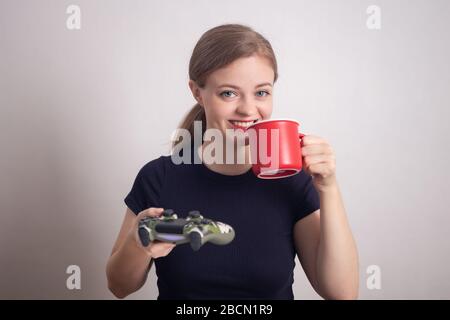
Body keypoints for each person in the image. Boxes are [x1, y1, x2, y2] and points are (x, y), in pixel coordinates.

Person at [106, 23, 359, 300]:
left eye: (261, 92)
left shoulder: (292, 179)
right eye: (229, 93)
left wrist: (329, 187)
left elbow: (342, 293)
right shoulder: (159, 177)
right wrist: (139, 243)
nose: (248, 109)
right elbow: (119, 287)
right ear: (197, 92)